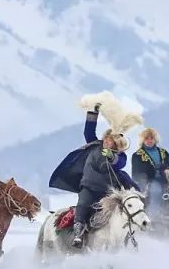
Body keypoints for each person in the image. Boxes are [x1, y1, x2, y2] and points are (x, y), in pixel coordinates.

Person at [47, 93, 141, 248]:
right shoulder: (94, 146)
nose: (107, 141)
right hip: (89, 187)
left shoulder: (119, 155)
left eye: (110, 140)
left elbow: (119, 163)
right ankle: (78, 234)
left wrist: (111, 156)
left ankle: (127, 236)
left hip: (107, 192)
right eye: (106, 138)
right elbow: (88, 131)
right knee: (83, 205)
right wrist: (93, 112)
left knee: (120, 213)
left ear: (116, 143)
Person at [131, 127, 169, 212]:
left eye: (151, 138)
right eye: (146, 138)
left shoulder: (163, 152)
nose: (149, 140)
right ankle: (154, 216)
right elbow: (137, 173)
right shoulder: (137, 155)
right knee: (156, 190)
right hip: (149, 182)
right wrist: (156, 171)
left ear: (155, 139)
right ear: (143, 140)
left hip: (165, 179)